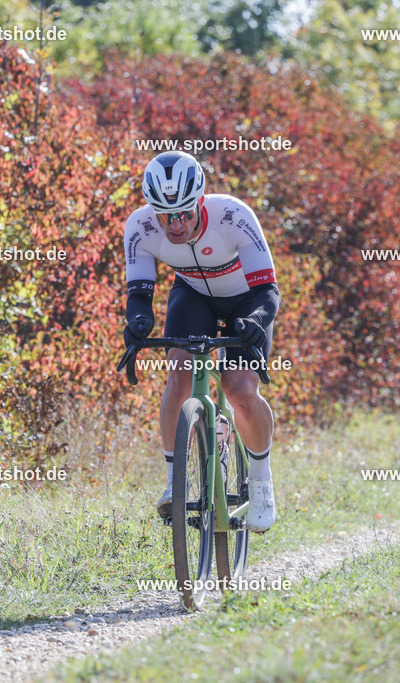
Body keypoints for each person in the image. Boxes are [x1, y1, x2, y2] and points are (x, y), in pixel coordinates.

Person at [123, 151, 280, 533]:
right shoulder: (140, 226)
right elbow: (139, 294)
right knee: (178, 375)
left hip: (247, 300)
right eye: (165, 217)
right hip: (193, 295)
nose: (175, 225)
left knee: (240, 388)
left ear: (200, 202)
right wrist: (138, 322)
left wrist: (256, 322)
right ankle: (173, 483)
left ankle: (261, 482)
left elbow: (268, 292)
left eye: (183, 214)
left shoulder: (233, 216)